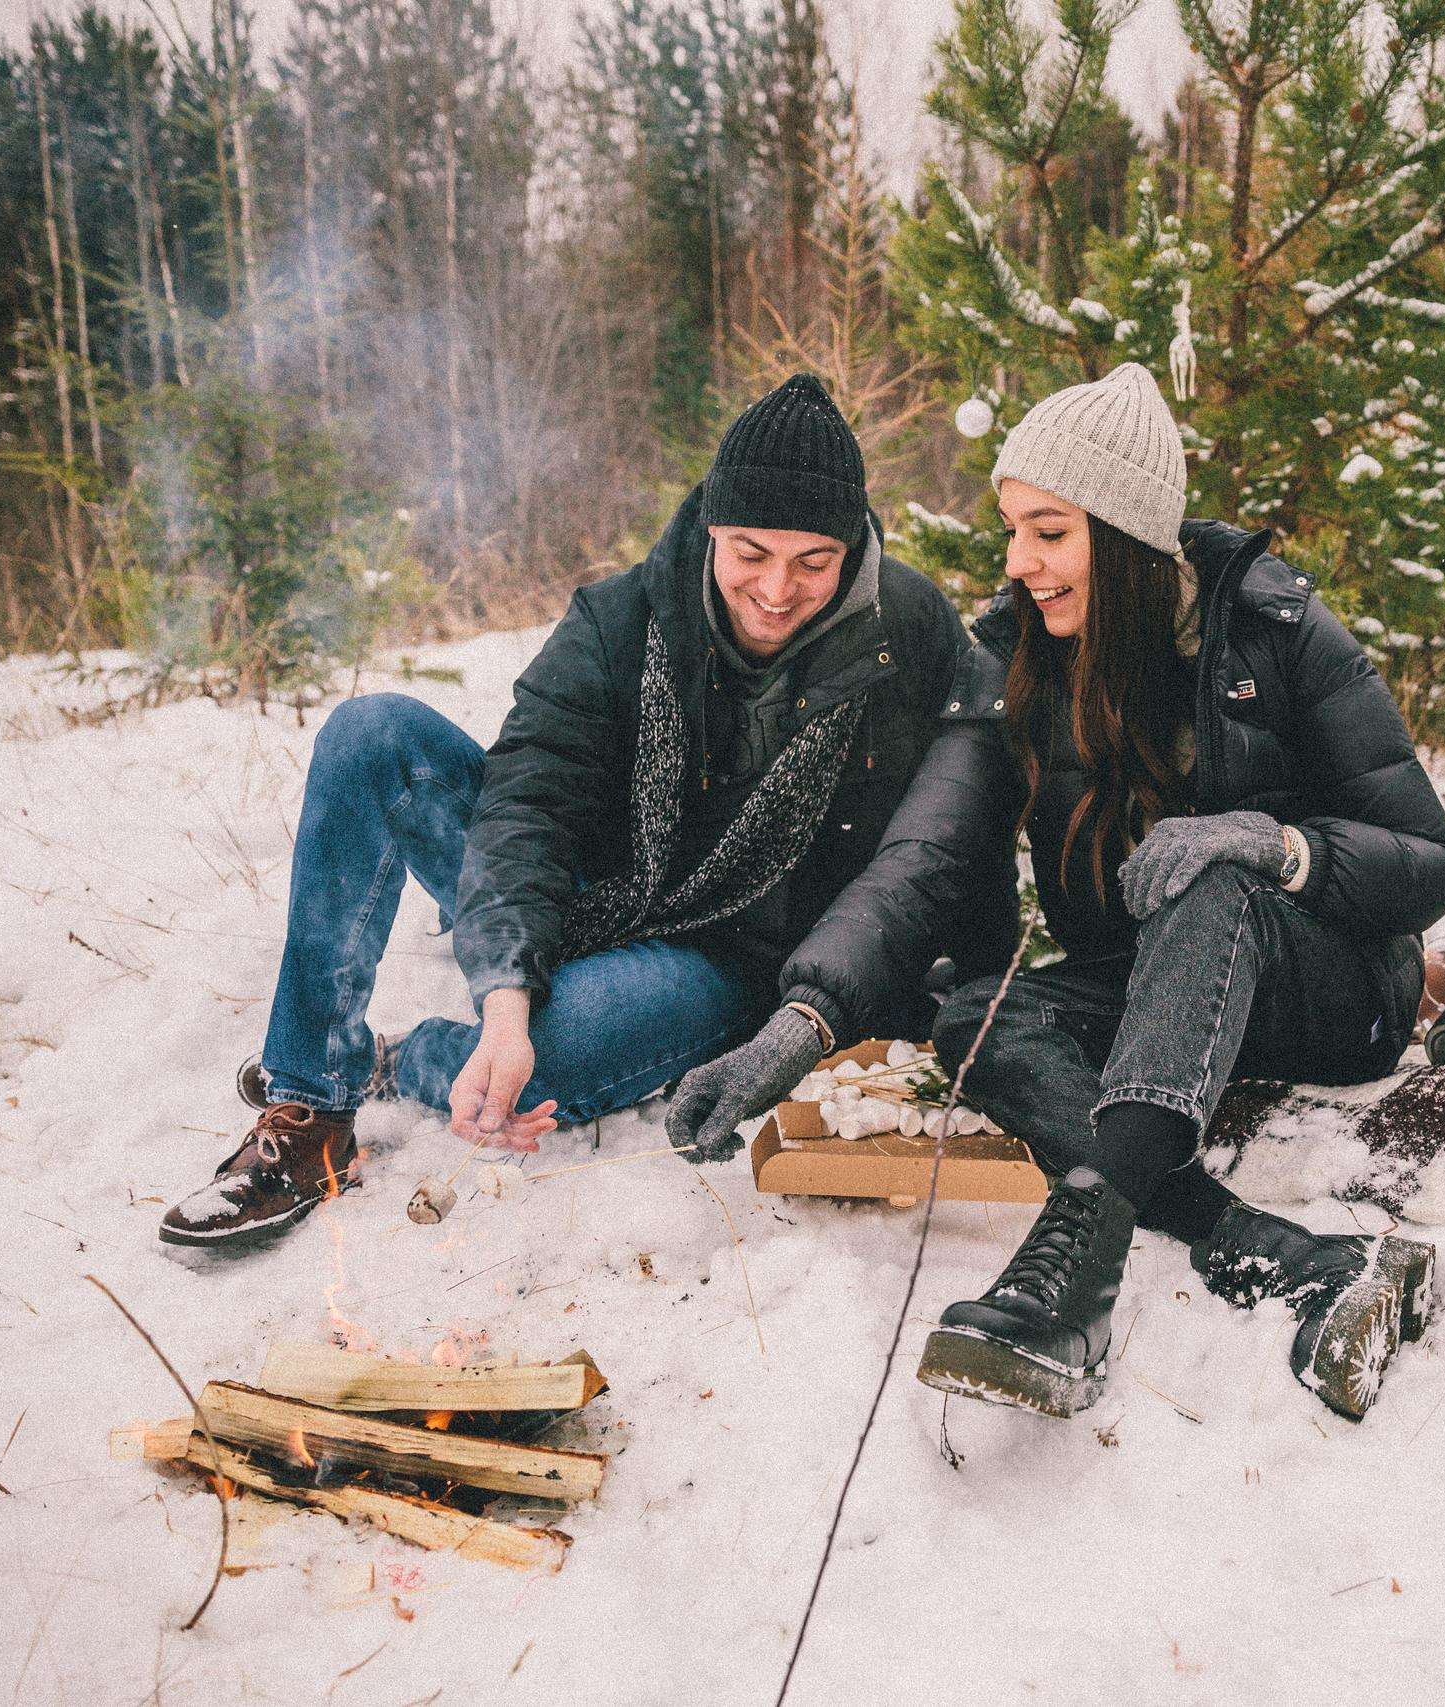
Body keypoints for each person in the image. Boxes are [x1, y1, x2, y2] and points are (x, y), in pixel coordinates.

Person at [667, 364, 1445, 1421]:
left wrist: (1274, 844)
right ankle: (1281, 1253)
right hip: (1149, 1001)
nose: (1018, 563)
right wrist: (803, 1020)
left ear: (1127, 536)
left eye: (1048, 532)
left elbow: (1428, 861)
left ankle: (1075, 1281)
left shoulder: (1278, 635)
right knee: (979, 1018)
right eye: (1011, 531)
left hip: (1325, 999)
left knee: (1209, 874)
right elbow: (929, 853)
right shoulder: (1013, 658)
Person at [162, 374, 1004, 1248]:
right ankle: (312, 1099)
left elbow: (947, 833)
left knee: (542, 1075)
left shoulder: (909, 635)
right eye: (751, 553)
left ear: (853, 549)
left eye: (813, 562)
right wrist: (505, 1001)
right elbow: (531, 795)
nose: (778, 590)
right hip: (584, 880)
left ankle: (403, 1058)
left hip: (727, 950)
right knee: (371, 733)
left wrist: (965, 1012)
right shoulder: (621, 617)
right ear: (713, 526)